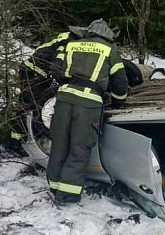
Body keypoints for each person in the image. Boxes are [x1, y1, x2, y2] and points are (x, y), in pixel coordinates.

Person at [46, 19, 128, 204]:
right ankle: (68, 193)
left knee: (60, 143)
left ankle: (54, 185)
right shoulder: (109, 50)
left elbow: (56, 70)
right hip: (88, 104)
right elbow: (120, 81)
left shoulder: (72, 45)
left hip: (64, 100)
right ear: (107, 36)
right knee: (79, 147)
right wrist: (118, 101)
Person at [9, 27, 86, 146]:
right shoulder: (68, 42)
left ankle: (25, 136)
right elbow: (57, 64)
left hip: (37, 72)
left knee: (32, 104)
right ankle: (15, 142)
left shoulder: (66, 37)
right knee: (29, 104)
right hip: (34, 72)